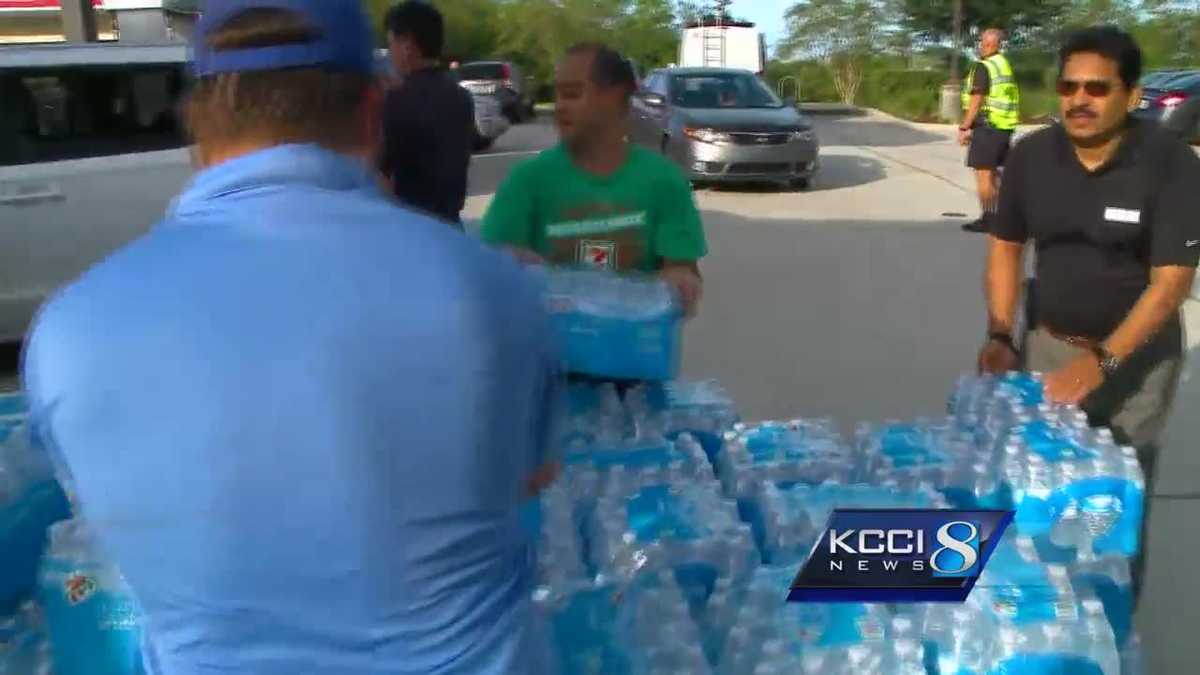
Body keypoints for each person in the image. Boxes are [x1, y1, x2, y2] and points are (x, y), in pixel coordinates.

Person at [22, 2, 560, 673]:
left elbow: (100, 516)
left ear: (196, 118)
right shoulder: (493, 290)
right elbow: (530, 476)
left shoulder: (72, 329)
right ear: (371, 108)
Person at [978, 25, 1200, 598]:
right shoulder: (1031, 155)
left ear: (1131, 94)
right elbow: (1005, 247)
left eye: (1097, 89)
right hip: (1048, 346)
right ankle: (1043, 613)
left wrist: (1101, 363)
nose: (1079, 99)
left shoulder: (1169, 163)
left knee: (1114, 497)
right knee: (1040, 487)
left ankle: (1109, 616)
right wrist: (1001, 333)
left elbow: (1172, 282)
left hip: (1138, 362)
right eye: (1069, 86)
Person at [481, 43, 707, 318]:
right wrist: (506, 262)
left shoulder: (665, 181)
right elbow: (489, 268)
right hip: (547, 354)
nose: (560, 107)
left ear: (616, 97)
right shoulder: (527, 180)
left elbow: (682, 267)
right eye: (558, 95)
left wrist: (681, 281)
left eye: (573, 94)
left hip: (632, 349)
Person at [380, 1, 475, 226]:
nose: (389, 54)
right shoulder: (461, 97)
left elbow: (379, 175)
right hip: (451, 224)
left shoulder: (395, 100)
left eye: (391, 44)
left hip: (411, 228)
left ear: (407, 45)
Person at [959, 28, 1020, 234]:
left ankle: (989, 220)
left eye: (986, 43)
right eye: (981, 42)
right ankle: (1004, 216)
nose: (981, 47)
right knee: (997, 177)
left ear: (995, 45)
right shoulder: (1003, 65)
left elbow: (977, 99)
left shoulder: (984, 67)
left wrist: (965, 126)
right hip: (1004, 128)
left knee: (984, 177)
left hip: (988, 128)